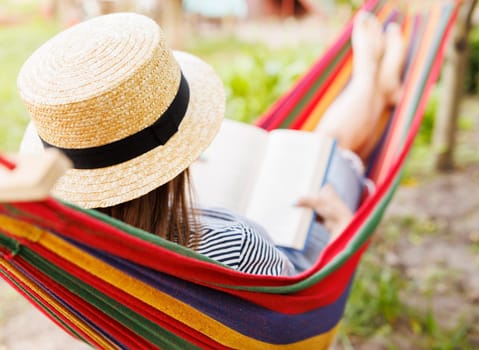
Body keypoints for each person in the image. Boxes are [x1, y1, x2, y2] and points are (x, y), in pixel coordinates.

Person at [18, 11, 405, 276]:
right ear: (178, 159)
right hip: (289, 263)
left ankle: (375, 83)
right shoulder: (235, 241)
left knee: (316, 150)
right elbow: (295, 300)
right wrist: (342, 228)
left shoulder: (65, 259)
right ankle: (373, 77)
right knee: (324, 152)